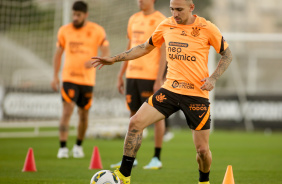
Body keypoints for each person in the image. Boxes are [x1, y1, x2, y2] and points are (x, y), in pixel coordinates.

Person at [92, 0, 232, 183]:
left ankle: (204, 180)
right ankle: (124, 175)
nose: (175, 14)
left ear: (191, 8)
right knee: (135, 123)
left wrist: (213, 78)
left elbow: (227, 55)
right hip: (170, 91)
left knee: (202, 151)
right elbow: (144, 47)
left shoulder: (207, 27)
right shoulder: (166, 25)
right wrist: (114, 59)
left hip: (197, 95)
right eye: (172, 9)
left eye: (179, 10)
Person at [110, 0, 167, 170]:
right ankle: (131, 158)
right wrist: (121, 74)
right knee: (133, 116)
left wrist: (159, 78)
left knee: (156, 117)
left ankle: (156, 158)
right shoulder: (133, 18)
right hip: (132, 75)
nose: (140, 1)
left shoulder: (161, 20)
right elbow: (129, 47)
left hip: (150, 76)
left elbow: (164, 51)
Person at [51, 1, 110, 159]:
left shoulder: (97, 30)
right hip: (69, 77)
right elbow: (58, 54)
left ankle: (78, 146)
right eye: (74, 14)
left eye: (79, 15)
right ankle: (63, 147)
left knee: (83, 114)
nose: (75, 18)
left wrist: (96, 60)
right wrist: (55, 76)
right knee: (67, 110)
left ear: (86, 15)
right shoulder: (64, 30)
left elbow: (105, 49)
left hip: (88, 80)